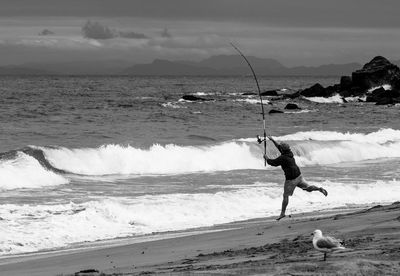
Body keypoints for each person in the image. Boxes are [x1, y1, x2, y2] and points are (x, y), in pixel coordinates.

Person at [264, 136, 328, 221]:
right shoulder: (289, 153)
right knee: (308, 188)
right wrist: (272, 140)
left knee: (285, 196)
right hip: (299, 175)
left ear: (283, 150)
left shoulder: (283, 158)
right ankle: (319, 189)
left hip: (291, 180)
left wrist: (267, 158)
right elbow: (279, 147)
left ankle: (282, 213)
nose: (280, 148)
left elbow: (273, 163)